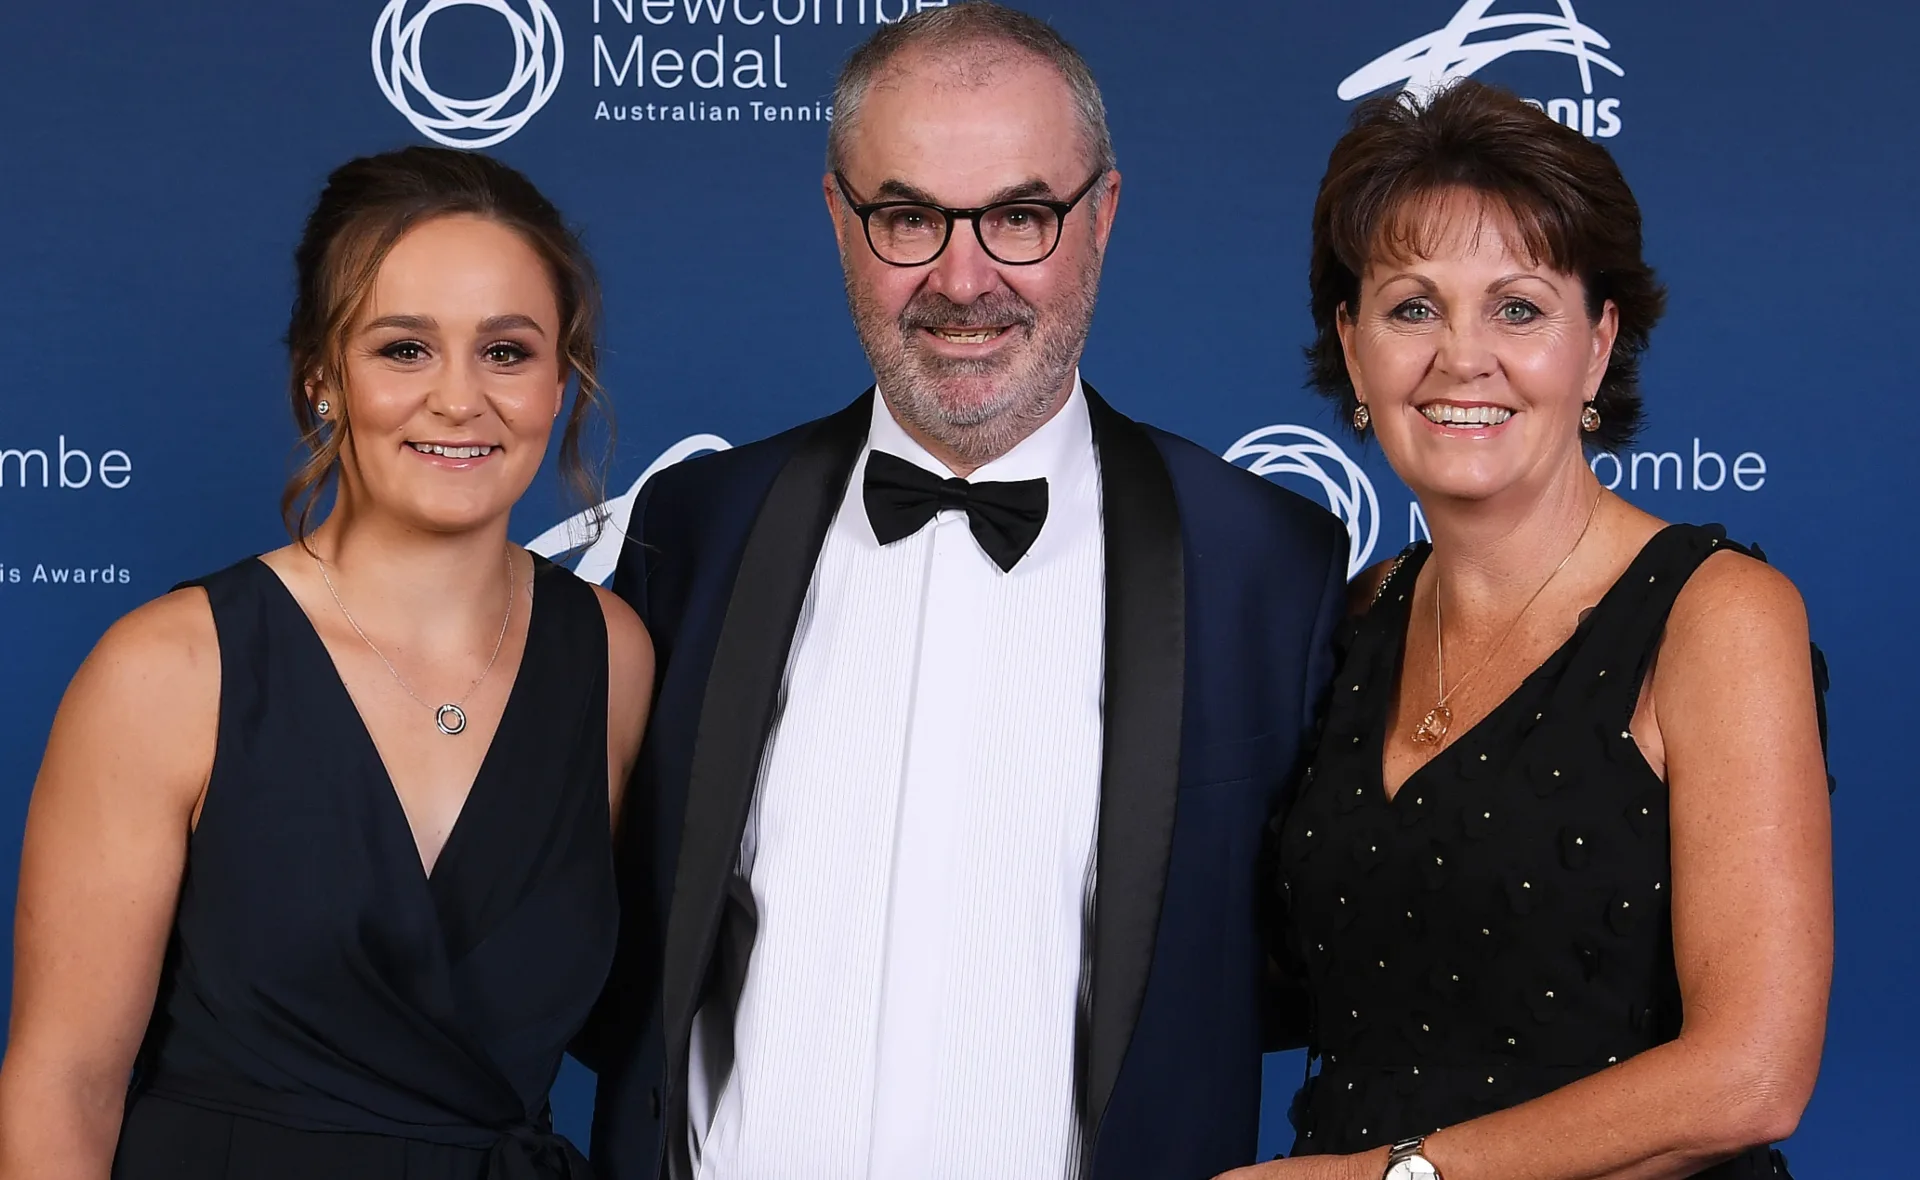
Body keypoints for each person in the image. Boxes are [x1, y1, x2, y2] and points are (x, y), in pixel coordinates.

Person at [579, 5, 1348, 1179]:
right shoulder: (694, 531)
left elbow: (1306, 965)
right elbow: (592, 932)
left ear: (1102, 216)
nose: (963, 277)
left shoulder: (1267, 563)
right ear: (839, 220)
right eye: (907, 217)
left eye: (1021, 216)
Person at [0, 147, 652, 1180]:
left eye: (507, 351)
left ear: (564, 384)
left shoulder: (611, 656)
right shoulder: (170, 668)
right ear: (321, 377)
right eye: (404, 349)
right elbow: (62, 1082)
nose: (458, 399)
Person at [1226, 81, 1832, 1180]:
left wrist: (1391, 1179)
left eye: (1518, 307)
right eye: (1413, 307)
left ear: (1597, 344)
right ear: (1353, 350)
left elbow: (1754, 1074)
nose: (1464, 358)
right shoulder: (1354, 619)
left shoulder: (1718, 614)